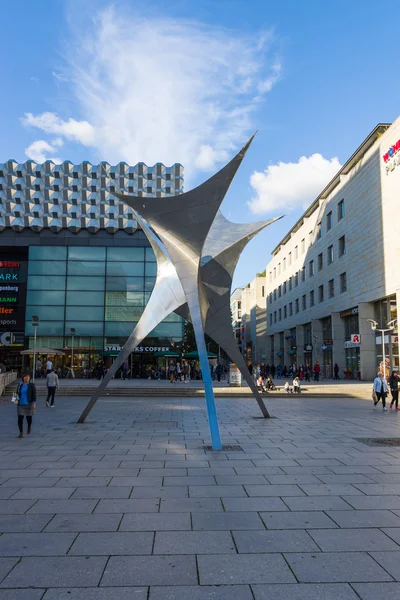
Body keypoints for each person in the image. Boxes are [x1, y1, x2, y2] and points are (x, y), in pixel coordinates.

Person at [15, 373, 36, 438]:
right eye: (25, 377)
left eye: (27, 377)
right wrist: (15, 401)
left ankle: (29, 426)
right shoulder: (19, 385)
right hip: (20, 404)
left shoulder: (31, 385)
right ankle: (21, 432)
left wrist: (34, 402)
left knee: (28, 418)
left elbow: (34, 394)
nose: (26, 378)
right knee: (20, 419)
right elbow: (16, 393)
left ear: (29, 378)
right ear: (23, 378)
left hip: (29, 404)